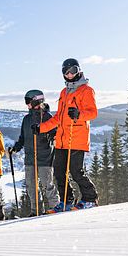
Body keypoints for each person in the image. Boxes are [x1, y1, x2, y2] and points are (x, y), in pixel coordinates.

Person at [34, 58, 98, 211]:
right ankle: (66, 201)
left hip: (77, 138)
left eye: (73, 71)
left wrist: (78, 114)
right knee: (59, 172)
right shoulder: (64, 92)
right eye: (66, 72)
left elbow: (93, 113)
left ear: (79, 71)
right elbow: (58, 118)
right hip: (62, 140)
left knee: (76, 172)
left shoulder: (86, 90)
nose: (69, 75)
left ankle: (90, 198)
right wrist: (41, 128)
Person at [9, 90, 59, 215]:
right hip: (30, 158)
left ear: (36, 100)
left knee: (48, 185)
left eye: (28, 101)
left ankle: (56, 207)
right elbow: (22, 138)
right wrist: (16, 148)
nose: (26, 105)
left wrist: (50, 136)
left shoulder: (47, 117)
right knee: (31, 186)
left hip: (44, 158)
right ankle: (36, 210)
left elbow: (55, 135)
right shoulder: (26, 119)